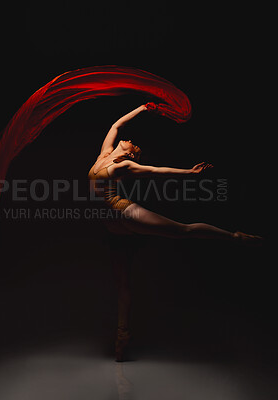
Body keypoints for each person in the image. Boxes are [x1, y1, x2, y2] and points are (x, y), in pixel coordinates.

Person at [87, 103, 262, 361]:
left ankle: (234, 236)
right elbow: (116, 124)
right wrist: (143, 108)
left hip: (122, 213)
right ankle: (122, 335)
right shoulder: (105, 154)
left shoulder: (122, 166)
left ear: (131, 155)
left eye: (131, 144)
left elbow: (156, 172)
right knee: (122, 283)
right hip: (110, 223)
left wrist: (189, 173)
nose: (129, 139)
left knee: (182, 230)